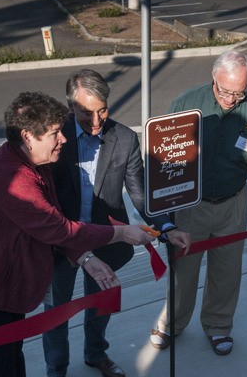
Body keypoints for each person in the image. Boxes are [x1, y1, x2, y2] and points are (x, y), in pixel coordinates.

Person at [0, 92, 155, 377]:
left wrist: (85, 259)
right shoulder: (10, 179)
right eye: (56, 133)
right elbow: (59, 229)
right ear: (28, 136)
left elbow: (53, 221)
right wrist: (121, 233)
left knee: (11, 360)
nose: (64, 139)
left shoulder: (34, 164)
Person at [149, 50, 247, 355]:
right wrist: (165, 213)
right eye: (225, 91)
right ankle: (173, 323)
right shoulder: (185, 105)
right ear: (214, 77)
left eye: (239, 92)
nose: (231, 99)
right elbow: (165, 161)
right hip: (190, 204)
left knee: (227, 270)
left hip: (233, 203)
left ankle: (218, 325)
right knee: (183, 270)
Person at [42, 69, 190, 377]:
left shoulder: (124, 138)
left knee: (101, 303)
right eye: (86, 113)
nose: (96, 122)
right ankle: (56, 369)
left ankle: (96, 354)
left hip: (105, 238)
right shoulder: (55, 138)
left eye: (102, 111)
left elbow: (140, 193)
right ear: (70, 107)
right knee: (57, 312)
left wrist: (166, 227)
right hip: (61, 240)